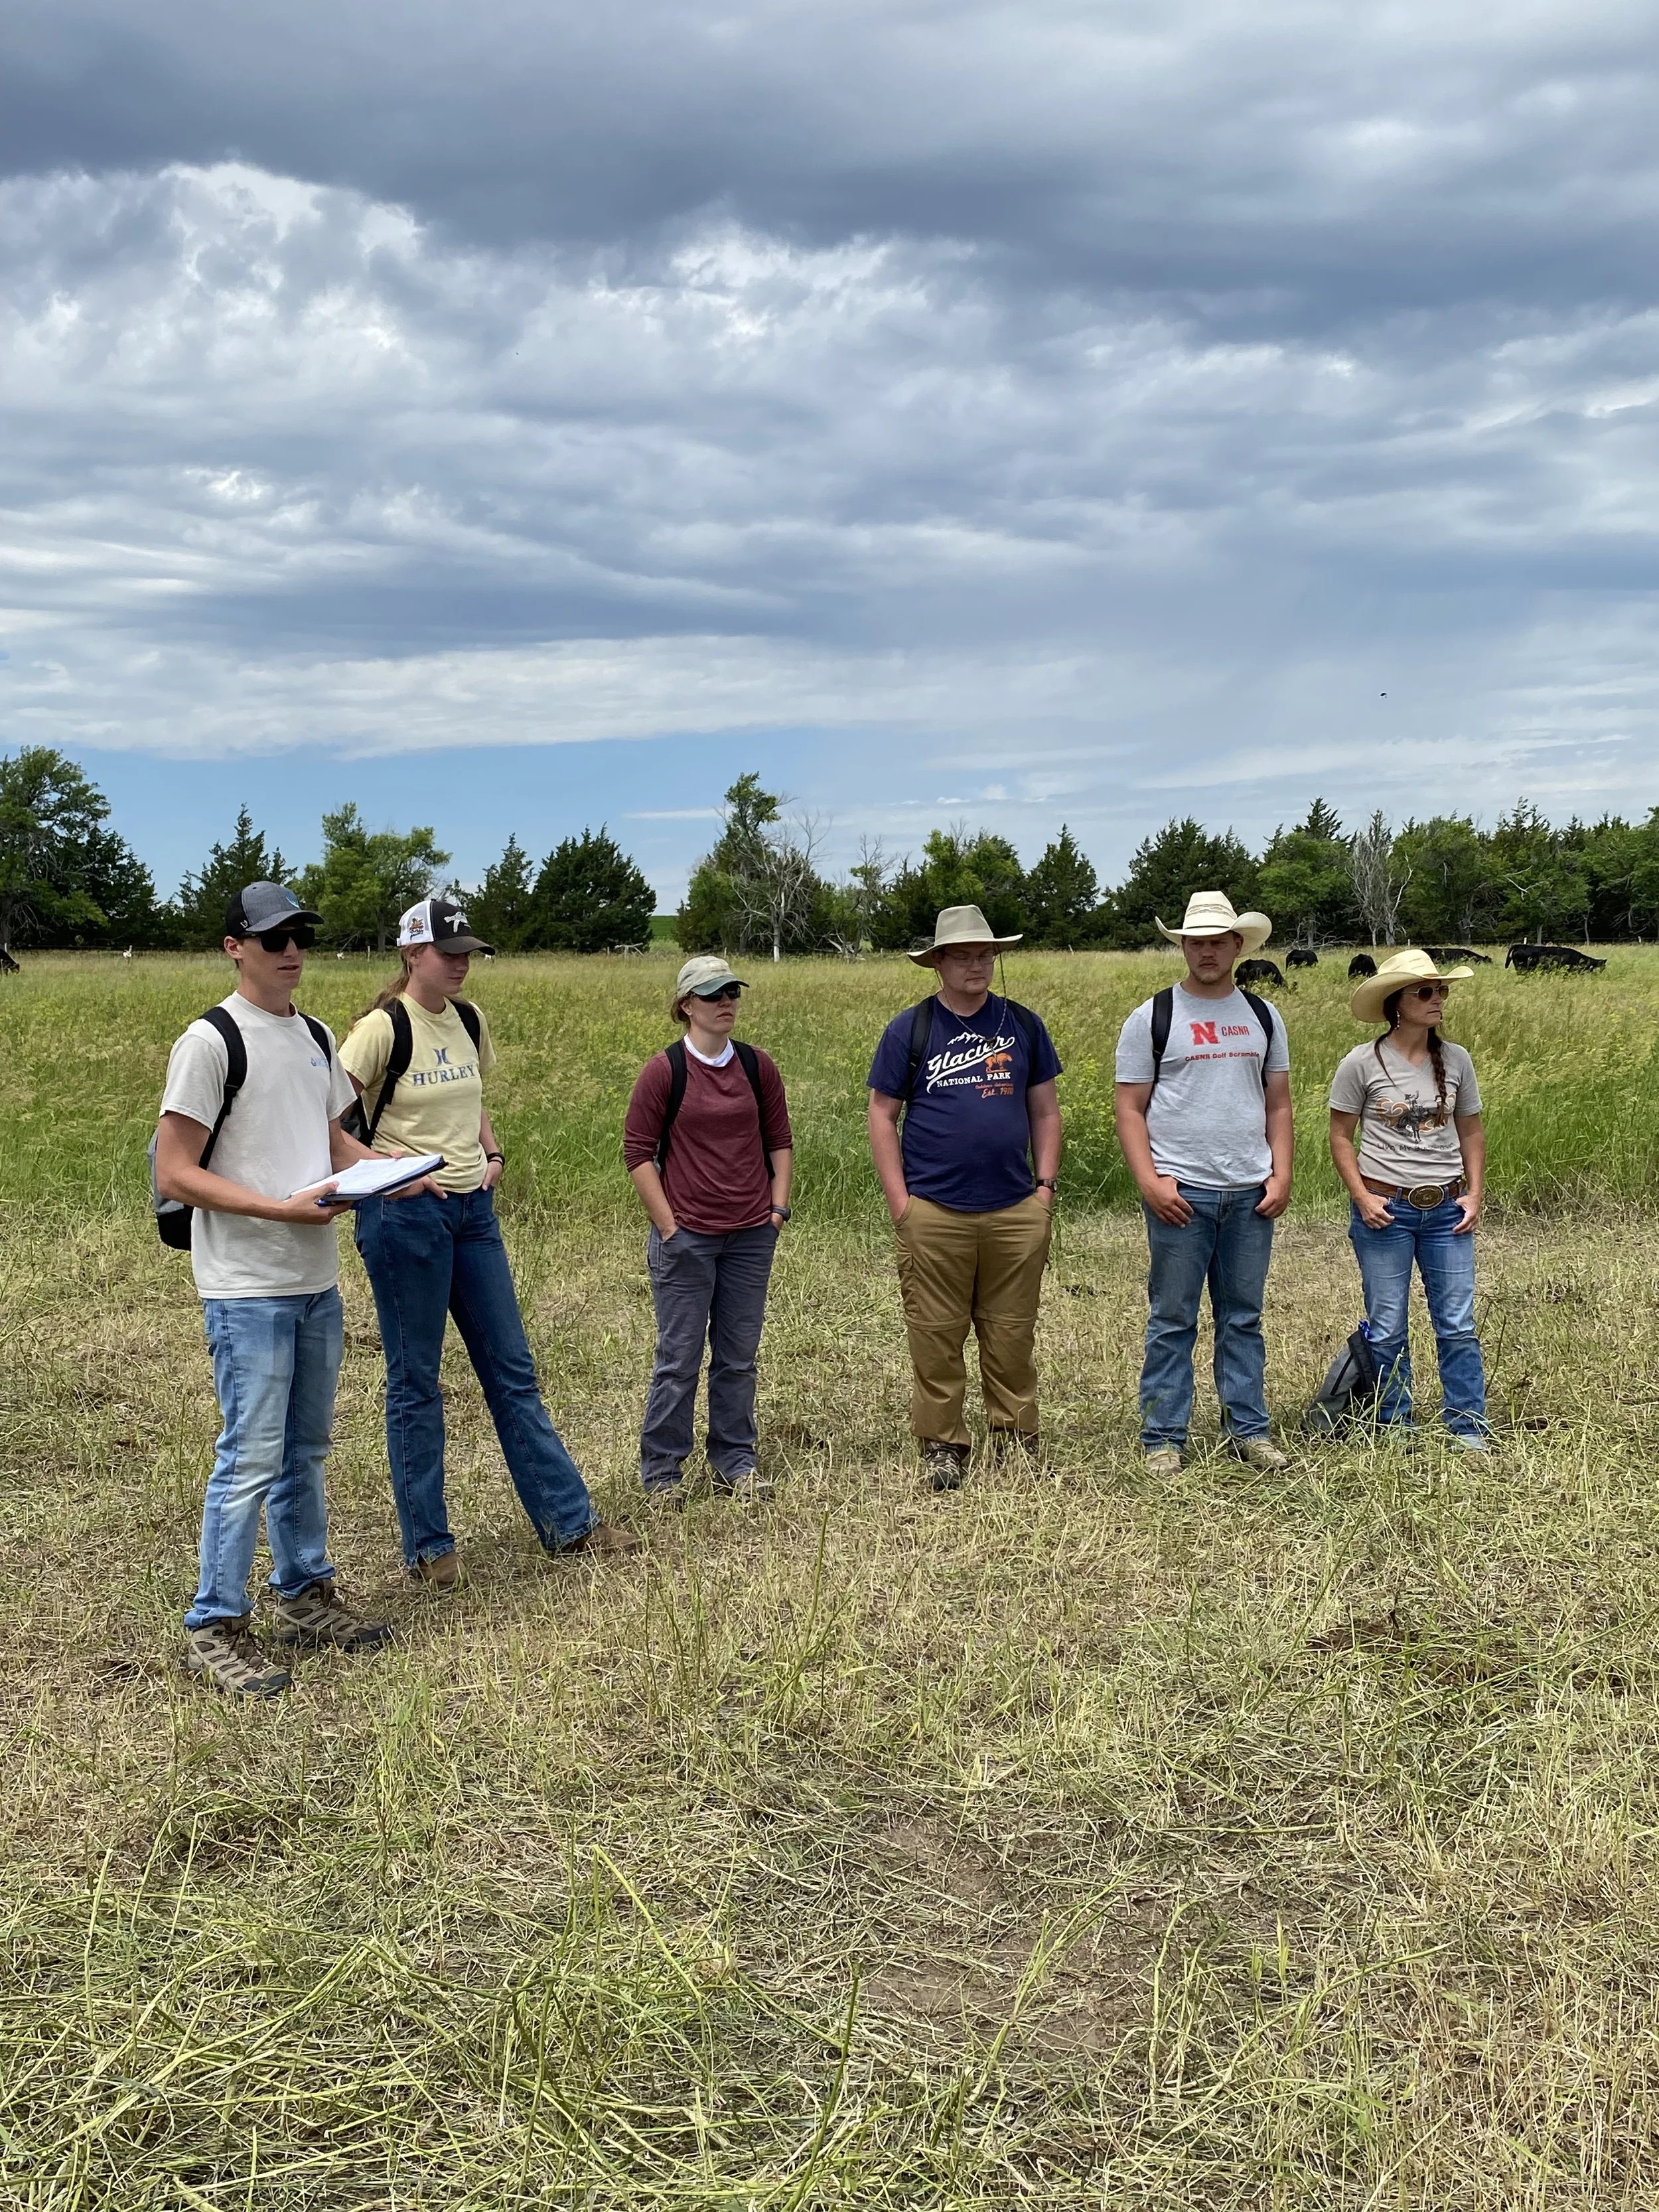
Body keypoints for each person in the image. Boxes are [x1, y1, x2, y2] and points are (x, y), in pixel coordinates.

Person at [340, 897, 640, 1582]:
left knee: (513, 1371)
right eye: (447, 953)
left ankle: (569, 1524)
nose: (461, 965)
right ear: (412, 953)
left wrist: (492, 1154)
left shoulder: (470, 1020)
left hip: (473, 1212)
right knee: (416, 1381)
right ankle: (430, 1549)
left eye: (467, 954)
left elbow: (470, 1100)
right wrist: (388, 1173)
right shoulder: (381, 1029)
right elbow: (327, 1120)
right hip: (406, 1217)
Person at [154, 881, 398, 1698]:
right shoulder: (210, 1041)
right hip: (246, 1284)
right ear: (235, 948)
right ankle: (215, 1624)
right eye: (272, 939)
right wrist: (279, 1210)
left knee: (306, 1450)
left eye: (300, 937)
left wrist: (394, 1171)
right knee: (251, 1456)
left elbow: (329, 1138)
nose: (291, 951)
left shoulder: (316, 1035)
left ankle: (304, 1594)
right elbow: (174, 1171)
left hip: (314, 1278)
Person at [867, 905, 1062, 1491]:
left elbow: (1045, 1111)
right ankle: (943, 1444)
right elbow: (882, 1115)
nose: (976, 965)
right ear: (938, 963)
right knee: (936, 1334)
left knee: (1012, 1332)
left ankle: (1015, 1436)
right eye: (962, 956)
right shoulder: (912, 1029)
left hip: (1015, 1209)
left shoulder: (1022, 1024)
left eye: (984, 954)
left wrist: (1044, 1190)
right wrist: (902, 1203)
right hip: (933, 1209)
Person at [1114, 891, 1293, 1475]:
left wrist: (1281, 1172)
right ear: (1183, 946)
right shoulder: (1153, 1017)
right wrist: (1150, 1182)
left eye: (1218, 941)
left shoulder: (1264, 1016)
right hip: (1182, 1193)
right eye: (1196, 942)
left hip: (1250, 1191)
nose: (1207, 951)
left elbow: (1279, 1103)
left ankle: (1249, 1429)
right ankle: (1163, 1435)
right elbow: (1129, 1107)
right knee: (1173, 1318)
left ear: (1238, 945)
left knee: (1243, 1316)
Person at [623, 956, 794, 1501]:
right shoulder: (664, 1071)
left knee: (738, 1357)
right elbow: (637, 1154)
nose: (726, 1002)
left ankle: (735, 1461)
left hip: (751, 1234)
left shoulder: (757, 1066)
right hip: (688, 1238)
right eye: (713, 994)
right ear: (685, 1005)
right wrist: (670, 1227)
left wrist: (777, 1210)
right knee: (679, 1360)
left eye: (732, 992)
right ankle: (662, 1471)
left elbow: (780, 1140)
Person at [1329, 948, 1489, 1449]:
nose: (1437, 998)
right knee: (1388, 1325)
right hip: (1386, 1210)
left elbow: (1471, 1130)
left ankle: (1467, 1425)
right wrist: (1362, 1197)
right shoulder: (1361, 1062)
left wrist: (1475, 1193)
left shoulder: (1456, 1059)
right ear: (1397, 1002)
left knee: (1458, 1323)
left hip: (1447, 1209)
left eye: (1441, 990)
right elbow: (1340, 1136)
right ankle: (1396, 1425)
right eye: (1425, 991)